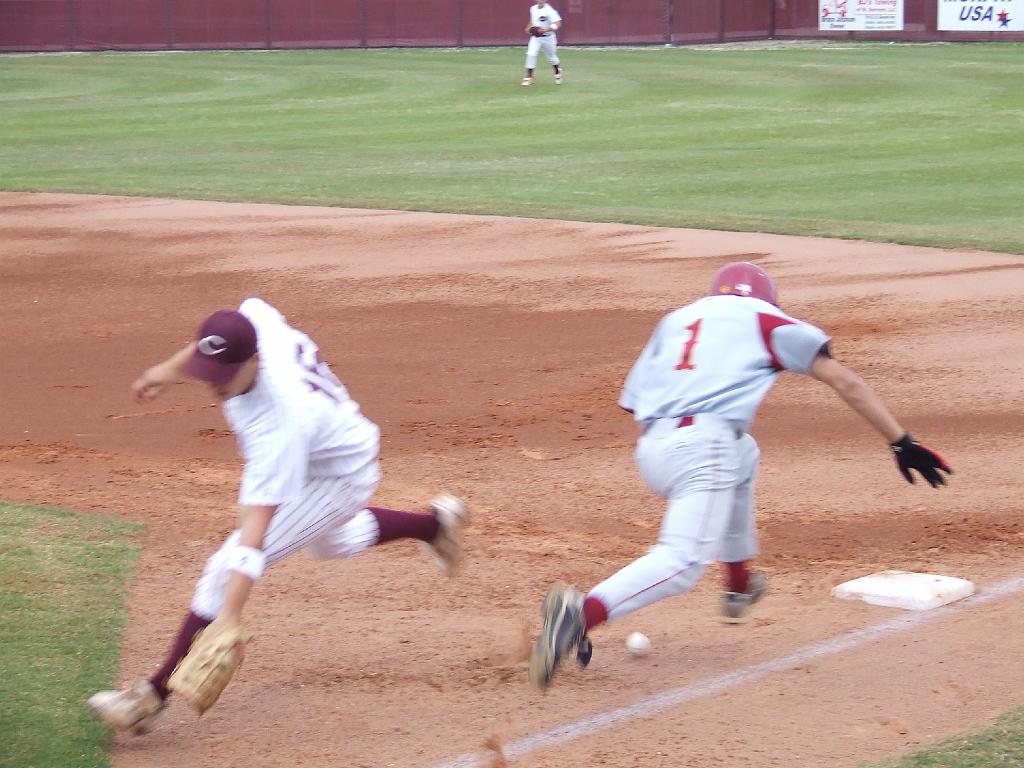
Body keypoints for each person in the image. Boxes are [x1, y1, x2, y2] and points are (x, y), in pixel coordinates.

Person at [528, 262, 951, 690]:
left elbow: (634, 402)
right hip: (702, 450)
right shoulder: (765, 318)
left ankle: (738, 585)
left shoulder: (676, 320)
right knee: (681, 562)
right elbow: (846, 382)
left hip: (653, 451)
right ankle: (580, 614)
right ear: (766, 299)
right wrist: (901, 442)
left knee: (743, 452)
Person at [87, 297, 467, 734]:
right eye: (210, 373)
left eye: (225, 376)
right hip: (333, 440)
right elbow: (211, 341)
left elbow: (255, 531)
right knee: (332, 543)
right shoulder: (254, 323)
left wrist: (229, 615)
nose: (215, 385)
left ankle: (149, 698)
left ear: (254, 359)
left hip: (337, 475)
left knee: (222, 569)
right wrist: (165, 373)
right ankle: (437, 525)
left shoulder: (276, 425)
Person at [522, 2, 563, 86]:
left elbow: (558, 23)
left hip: (549, 37)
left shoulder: (549, 10)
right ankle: (529, 78)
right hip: (536, 37)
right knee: (531, 54)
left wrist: (545, 30)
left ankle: (557, 72)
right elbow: (533, 20)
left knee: (551, 57)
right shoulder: (533, 8)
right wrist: (528, 27)